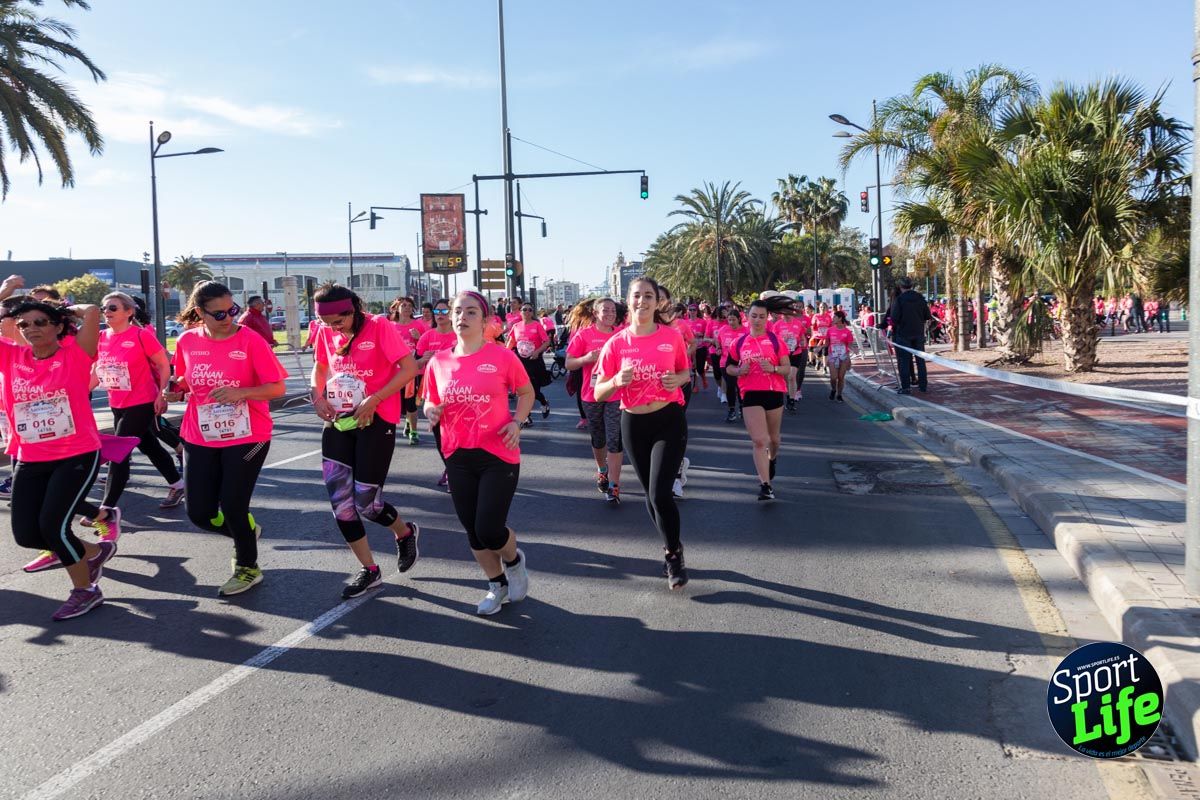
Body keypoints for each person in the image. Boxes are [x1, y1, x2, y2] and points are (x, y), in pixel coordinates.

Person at [166, 281, 287, 596]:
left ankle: (248, 567)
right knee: (199, 514)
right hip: (199, 435)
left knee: (233, 504)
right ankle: (245, 530)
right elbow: (185, 379)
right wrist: (175, 388)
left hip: (248, 435)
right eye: (218, 313)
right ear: (199, 313)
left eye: (232, 310)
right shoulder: (187, 341)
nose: (228, 317)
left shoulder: (250, 341)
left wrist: (241, 392)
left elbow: (276, 388)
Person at [2, 298, 118, 620]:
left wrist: (62, 307)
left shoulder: (75, 355)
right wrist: (9, 308)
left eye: (40, 322)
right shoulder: (13, 356)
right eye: (24, 324)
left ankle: (86, 591)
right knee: (27, 535)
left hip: (76, 454)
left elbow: (93, 312)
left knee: (54, 527)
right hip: (31, 457)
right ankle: (95, 551)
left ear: (57, 326)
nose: (31, 329)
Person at [423, 291, 534, 615]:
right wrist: (431, 410)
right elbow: (429, 399)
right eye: (458, 311)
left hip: (498, 451)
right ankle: (496, 585)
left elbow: (526, 392)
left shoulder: (501, 356)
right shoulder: (439, 361)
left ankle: (514, 562)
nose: (462, 317)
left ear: (485, 322)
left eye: (471, 312)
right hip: (456, 453)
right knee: (472, 528)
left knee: (488, 527)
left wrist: (517, 422)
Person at [310, 284, 422, 600]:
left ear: (353, 309)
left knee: (366, 502)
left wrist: (375, 398)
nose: (334, 328)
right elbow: (320, 368)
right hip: (337, 422)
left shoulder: (379, 327)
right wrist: (317, 397)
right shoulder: (325, 332)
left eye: (339, 321)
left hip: (376, 420)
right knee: (341, 505)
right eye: (327, 323)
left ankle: (404, 532)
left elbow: (409, 368)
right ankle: (370, 570)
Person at [594, 277, 692, 590]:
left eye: (648, 296)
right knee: (651, 498)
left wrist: (677, 381)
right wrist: (616, 383)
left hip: (668, 420)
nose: (642, 301)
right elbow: (597, 392)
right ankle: (673, 544)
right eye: (637, 296)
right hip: (633, 423)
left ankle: (672, 554)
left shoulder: (671, 337)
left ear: (656, 302)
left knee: (660, 494)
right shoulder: (616, 343)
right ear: (629, 300)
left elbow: (685, 372)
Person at [89, 292, 186, 538]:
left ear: (128, 312)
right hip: (117, 402)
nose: (107, 311)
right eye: (104, 308)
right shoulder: (101, 337)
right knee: (149, 445)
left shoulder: (141, 335)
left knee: (118, 453)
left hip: (142, 401)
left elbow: (164, 364)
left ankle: (107, 508)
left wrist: (161, 394)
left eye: (112, 307)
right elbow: (97, 371)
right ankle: (177, 483)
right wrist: (81, 392)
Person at [730, 298, 795, 500]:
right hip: (750, 394)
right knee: (760, 440)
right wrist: (739, 370)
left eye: (761, 316)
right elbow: (729, 368)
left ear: (767, 318)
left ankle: (772, 459)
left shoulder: (776, 341)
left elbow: (787, 368)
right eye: (753, 316)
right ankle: (765, 485)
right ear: (747, 317)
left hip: (774, 392)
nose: (757, 320)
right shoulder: (739, 342)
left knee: (773, 440)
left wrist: (774, 369)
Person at [565, 297, 623, 504]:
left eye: (613, 311)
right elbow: (569, 363)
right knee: (599, 438)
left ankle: (614, 485)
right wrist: (586, 358)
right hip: (591, 394)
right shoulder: (584, 335)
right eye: (605, 310)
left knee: (615, 438)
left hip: (616, 393)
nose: (610, 314)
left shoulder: (621, 334)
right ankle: (602, 469)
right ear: (596, 314)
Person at [415, 298, 458, 487]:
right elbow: (414, 364)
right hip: (433, 392)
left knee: (457, 433)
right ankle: (451, 468)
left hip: (457, 390)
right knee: (439, 435)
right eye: (437, 312)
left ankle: (456, 471)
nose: (440, 315)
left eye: (444, 311)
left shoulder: (459, 335)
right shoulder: (427, 336)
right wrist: (423, 359)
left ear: (451, 313)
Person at [389, 297, 427, 445]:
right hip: (394, 371)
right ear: (397, 308)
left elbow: (424, 348)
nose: (406, 308)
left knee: (410, 403)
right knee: (398, 404)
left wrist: (419, 338)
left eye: (409, 305)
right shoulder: (391, 326)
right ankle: (408, 421)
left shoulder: (419, 325)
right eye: (403, 305)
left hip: (412, 370)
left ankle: (414, 432)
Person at [506, 302, 552, 423]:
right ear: (520, 311)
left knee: (534, 391)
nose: (527, 312)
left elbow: (546, 342)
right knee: (521, 390)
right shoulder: (516, 326)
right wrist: (505, 355)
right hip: (520, 361)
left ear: (532, 312)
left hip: (534, 360)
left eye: (530, 310)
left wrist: (537, 352)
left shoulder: (537, 325)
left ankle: (543, 401)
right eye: (524, 310)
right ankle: (526, 416)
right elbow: (511, 342)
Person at [887, 276, 931, 395]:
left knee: (904, 361)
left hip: (903, 334)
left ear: (900, 287)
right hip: (918, 333)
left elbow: (894, 318)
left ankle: (906, 387)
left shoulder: (899, 300)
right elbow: (927, 315)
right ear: (911, 286)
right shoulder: (920, 298)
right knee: (920, 360)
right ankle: (923, 385)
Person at [772, 304, 809, 410]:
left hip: (795, 353)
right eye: (784, 313)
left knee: (791, 377)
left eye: (788, 312)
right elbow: (773, 340)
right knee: (785, 379)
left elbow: (802, 337)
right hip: (782, 355)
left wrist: (802, 342)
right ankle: (788, 396)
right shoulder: (777, 325)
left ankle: (792, 400)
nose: (786, 315)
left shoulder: (798, 324)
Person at [717, 308, 747, 423]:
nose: (731, 322)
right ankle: (731, 410)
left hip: (741, 363)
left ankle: (742, 407)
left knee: (739, 386)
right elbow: (717, 340)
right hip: (725, 363)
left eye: (733, 320)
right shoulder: (723, 329)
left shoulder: (746, 331)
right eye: (729, 320)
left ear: (739, 319)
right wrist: (719, 348)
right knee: (731, 385)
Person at [826, 310, 858, 401]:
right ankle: (833, 389)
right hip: (833, 356)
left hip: (843, 356)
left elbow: (850, 344)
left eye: (834, 317)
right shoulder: (830, 330)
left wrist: (854, 350)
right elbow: (827, 343)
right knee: (833, 377)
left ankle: (839, 395)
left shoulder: (847, 332)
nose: (833, 319)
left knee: (841, 377)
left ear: (840, 318)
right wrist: (819, 347)